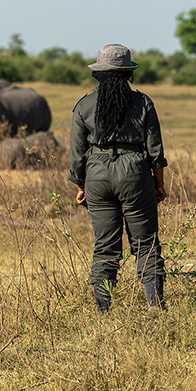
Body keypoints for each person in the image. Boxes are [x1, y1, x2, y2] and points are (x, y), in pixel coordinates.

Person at [69, 44, 169, 312]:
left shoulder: (84, 105)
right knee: (146, 242)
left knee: (105, 246)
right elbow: (155, 151)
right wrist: (158, 184)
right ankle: (155, 306)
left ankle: (104, 311)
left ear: (98, 74)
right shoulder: (143, 102)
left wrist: (81, 186)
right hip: (136, 173)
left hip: (97, 176)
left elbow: (78, 154)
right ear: (128, 73)